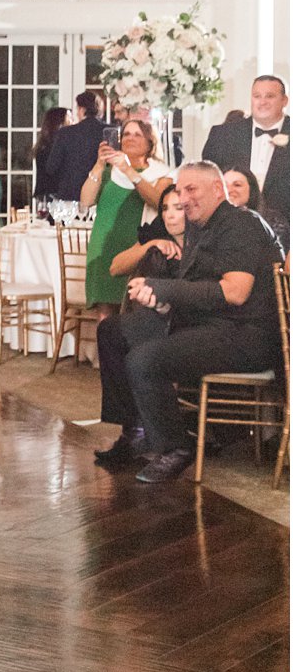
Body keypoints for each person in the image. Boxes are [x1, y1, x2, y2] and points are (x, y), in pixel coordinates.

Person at [92, 163, 283, 483]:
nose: (183, 198)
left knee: (145, 360)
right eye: (180, 190)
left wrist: (165, 288)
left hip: (246, 336)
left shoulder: (240, 224)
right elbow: (195, 291)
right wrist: (163, 301)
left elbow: (235, 293)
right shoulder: (201, 228)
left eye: (191, 190)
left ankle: (175, 447)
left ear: (217, 190)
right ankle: (134, 431)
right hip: (205, 325)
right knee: (113, 331)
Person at [81, 117, 172, 306]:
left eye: (137, 134)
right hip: (104, 245)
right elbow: (86, 200)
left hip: (136, 247)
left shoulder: (161, 174)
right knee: (104, 308)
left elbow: (158, 202)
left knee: (133, 306)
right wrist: (99, 164)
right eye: (127, 134)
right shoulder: (109, 170)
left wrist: (128, 169)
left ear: (150, 142)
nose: (130, 138)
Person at [204, 76, 290, 240]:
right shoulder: (223, 135)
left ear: (284, 100)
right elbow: (210, 183)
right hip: (228, 230)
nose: (262, 102)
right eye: (257, 96)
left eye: (269, 96)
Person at [46, 89, 109, 206]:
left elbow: (51, 167)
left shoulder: (65, 133)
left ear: (81, 109)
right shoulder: (109, 131)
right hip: (100, 196)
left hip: (70, 196)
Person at [32, 106, 69, 206]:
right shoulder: (52, 147)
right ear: (59, 122)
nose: (72, 121)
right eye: (69, 118)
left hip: (48, 195)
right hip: (52, 197)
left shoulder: (45, 144)